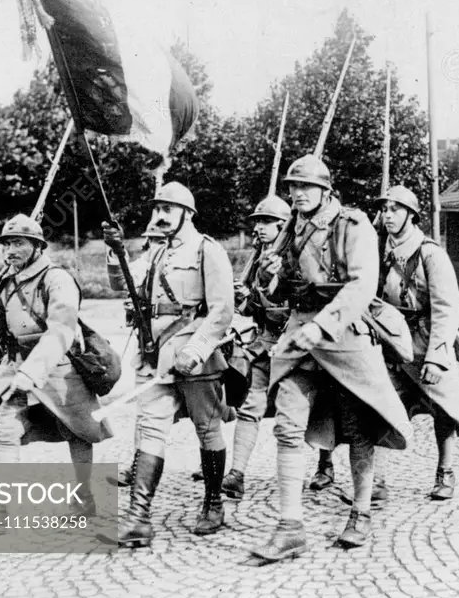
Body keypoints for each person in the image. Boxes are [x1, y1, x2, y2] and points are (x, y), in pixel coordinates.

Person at [249, 154, 413, 561]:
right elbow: (281, 288)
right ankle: (290, 527)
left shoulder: (352, 224)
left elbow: (361, 285)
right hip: (299, 334)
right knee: (287, 425)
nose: (298, 194)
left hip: (342, 334)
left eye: (306, 187)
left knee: (358, 428)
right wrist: (272, 274)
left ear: (326, 190)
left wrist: (322, 327)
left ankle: (360, 512)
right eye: (292, 187)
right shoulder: (292, 226)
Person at [102, 181, 235, 546]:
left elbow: (222, 310)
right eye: (157, 208)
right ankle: (138, 517)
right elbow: (121, 285)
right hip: (155, 355)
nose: (159, 216)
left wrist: (194, 352)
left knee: (207, 430)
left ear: (187, 214)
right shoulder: (156, 252)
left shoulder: (207, 250)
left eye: (168, 209)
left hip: (195, 358)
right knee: (150, 429)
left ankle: (213, 503)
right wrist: (115, 251)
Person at [0, 214, 111, 515]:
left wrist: (31, 373)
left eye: (18, 243)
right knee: (6, 430)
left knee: (79, 432)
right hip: (16, 363)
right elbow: (4, 327)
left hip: (57, 366)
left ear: (36, 246)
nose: (10, 251)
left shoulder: (56, 279)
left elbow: (61, 329)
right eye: (6, 244)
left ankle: (84, 499)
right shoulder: (7, 279)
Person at [375, 185, 459, 500]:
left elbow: (446, 308)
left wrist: (436, 358)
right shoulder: (381, 251)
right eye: (385, 209)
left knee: (444, 408)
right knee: (379, 407)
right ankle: (376, 480)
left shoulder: (431, 253)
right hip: (393, 342)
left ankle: (445, 472)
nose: (388, 215)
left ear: (411, 215)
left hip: (427, 339)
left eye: (395, 209)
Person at [220, 194, 293, 500]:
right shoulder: (258, 255)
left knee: (307, 410)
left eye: (268, 222)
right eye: (258, 222)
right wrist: (243, 298)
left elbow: (294, 302)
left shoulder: (294, 255)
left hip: (296, 344)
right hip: (265, 343)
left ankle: (324, 466)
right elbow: (252, 309)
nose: (261, 228)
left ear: (283, 225)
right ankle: (236, 473)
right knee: (251, 407)